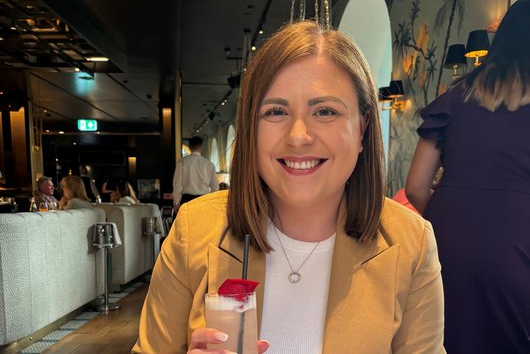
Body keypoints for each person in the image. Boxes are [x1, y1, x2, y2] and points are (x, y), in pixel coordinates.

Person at [132, 21, 444, 353]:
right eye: (276, 111)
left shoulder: (411, 244)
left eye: (325, 111)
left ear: (363, 128)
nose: (298, 136)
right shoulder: (194, 230)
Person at [406, 0, 530, 354]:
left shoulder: (457, 96)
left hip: (448, 237)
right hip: (518, 238)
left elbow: (414, 187)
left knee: (445, 337)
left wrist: (456, 221)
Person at [172, 136, 219, 212]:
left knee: (188, 223)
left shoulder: (182, 162)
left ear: (190, 147)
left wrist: (176, 202)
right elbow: (215, 187)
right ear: (201, 147)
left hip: (187, 201)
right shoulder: (209, 164)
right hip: (203, 200)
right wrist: (213, 203)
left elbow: (178, 184)